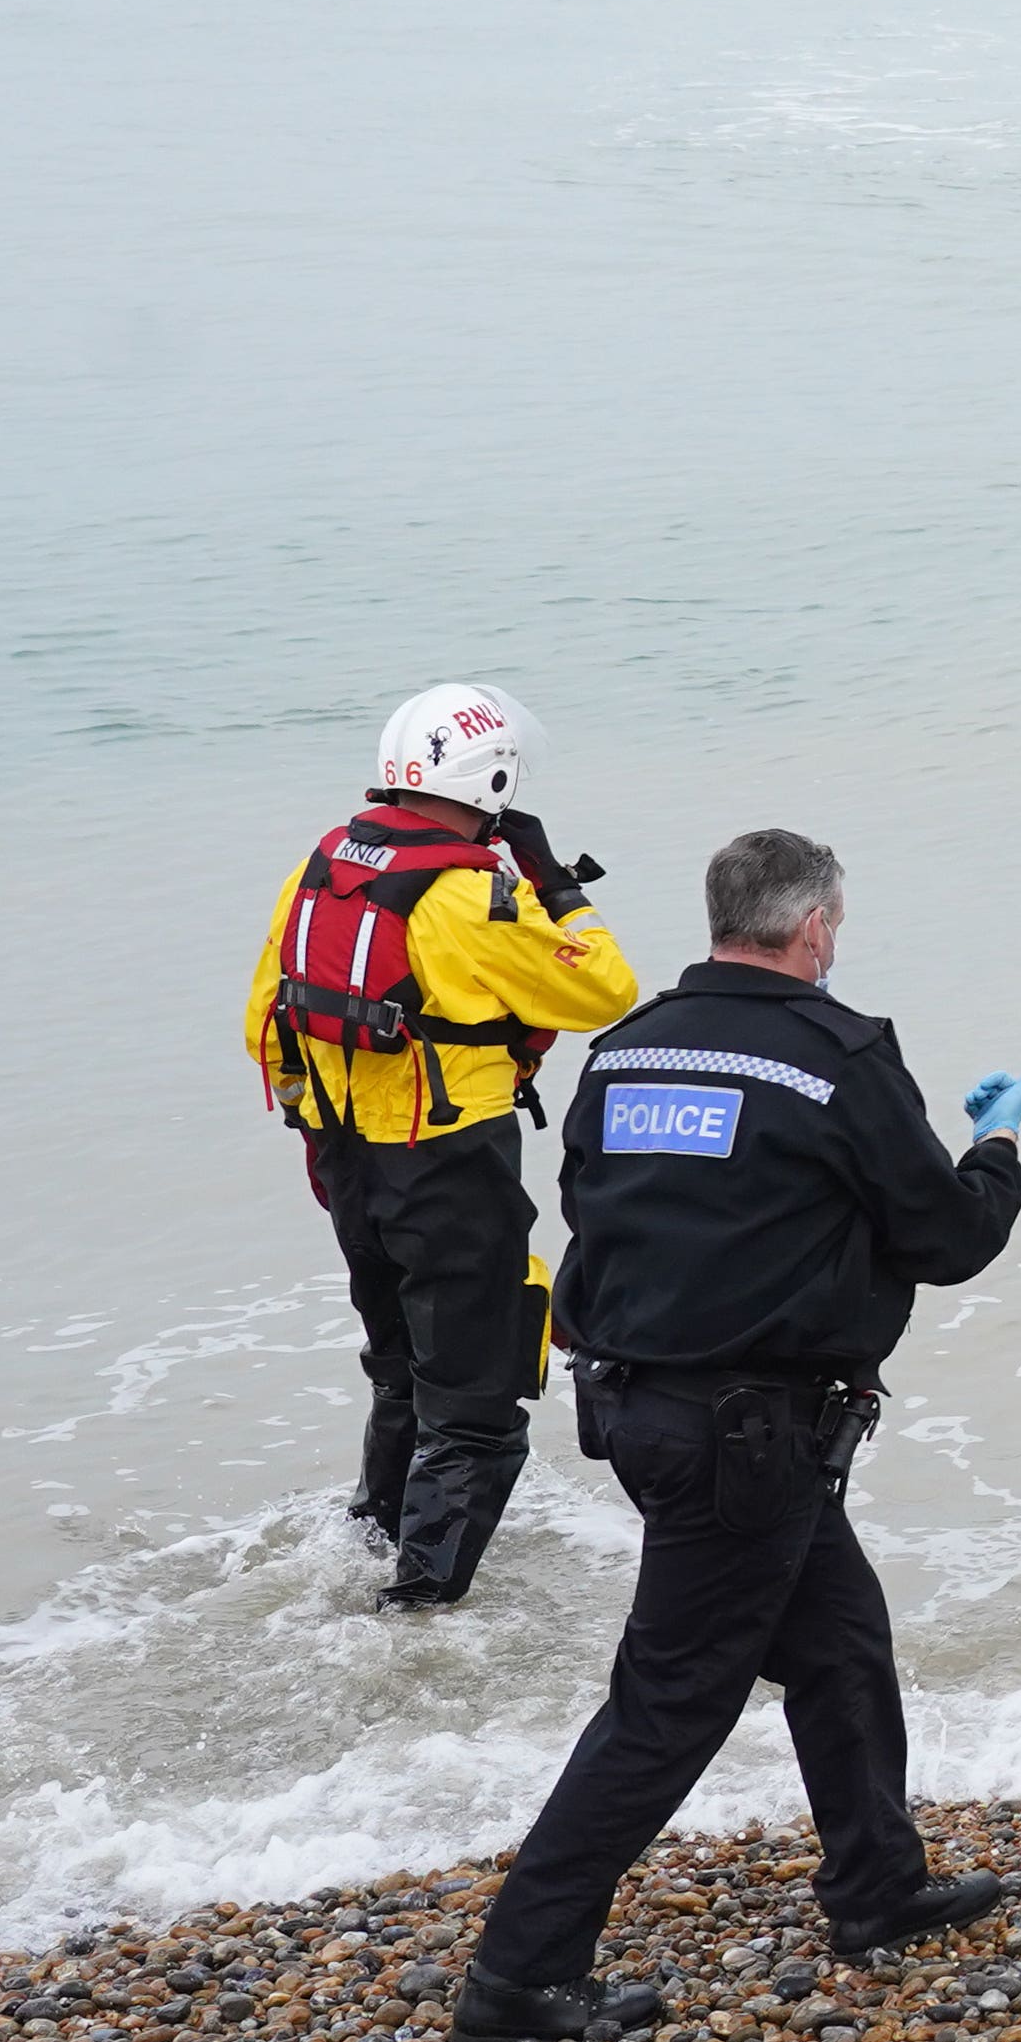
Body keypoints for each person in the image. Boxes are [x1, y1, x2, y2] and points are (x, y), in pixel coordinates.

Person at [451, 827, 1021, 2042]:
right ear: (814, 927)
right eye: (837, 925)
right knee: (669, 1705)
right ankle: (517, 1974)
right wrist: (998, 1151)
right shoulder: (838, 1056)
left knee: (838, 1642)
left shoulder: (624, 1054)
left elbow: (602, 1209)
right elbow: (945, 1239)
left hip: (641, 1406)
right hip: (747, 1433)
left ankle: (876, 1885)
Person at [244, 684, 642, 1610]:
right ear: (490, 775)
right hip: (450, 1166)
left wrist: (318, 1134)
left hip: (350, 1164)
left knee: (399, 1371)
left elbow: (269, 1025)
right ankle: (416, 1613)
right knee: (477, 1407)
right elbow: (605, 992)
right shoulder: (470, 894)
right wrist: (557, 885)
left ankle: (370, 1538)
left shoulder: (323, 866)